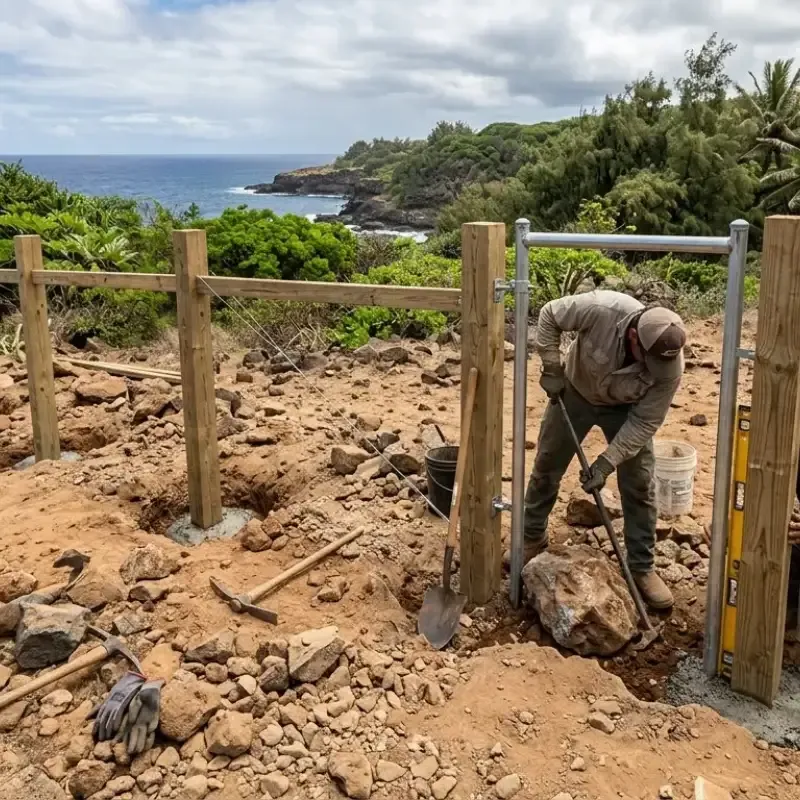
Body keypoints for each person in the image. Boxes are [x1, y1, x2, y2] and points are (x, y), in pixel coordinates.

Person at [525, 290, 686, 610]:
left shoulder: (670, 367)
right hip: (575, 391)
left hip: (627, 409)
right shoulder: (602, 308)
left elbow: (645, 422)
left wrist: (606, 462)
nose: (653, 369)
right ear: (633, 337)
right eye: (649, 361)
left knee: (640, 484)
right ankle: (532, 537)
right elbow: (549, 315)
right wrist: (552, 367)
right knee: (547, 465)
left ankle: (641, 566)